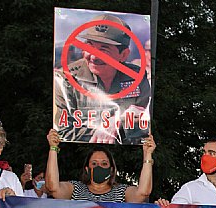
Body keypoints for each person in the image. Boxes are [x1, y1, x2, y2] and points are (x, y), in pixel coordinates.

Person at [54, 13, 151, 144]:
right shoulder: (66, 80)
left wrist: (119, 122)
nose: (93, 57)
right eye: (90, 47)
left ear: (123, 55)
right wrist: (106, 129)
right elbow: (62, 132)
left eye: (104, 50)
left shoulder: (137, 78)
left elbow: (146, 128)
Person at [45, 129, 155, 203]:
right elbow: (53, 188)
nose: (99, 167)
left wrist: (148, 154)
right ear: (87, 169)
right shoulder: (75, 189)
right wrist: (53, 148)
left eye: (104, 163)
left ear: (111, 169)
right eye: (94, 164)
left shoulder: (121, 191)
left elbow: (143, 192)